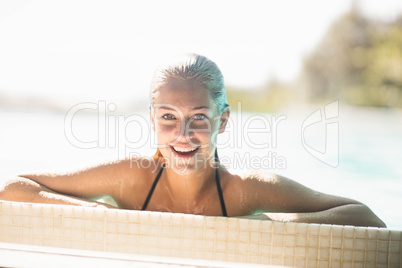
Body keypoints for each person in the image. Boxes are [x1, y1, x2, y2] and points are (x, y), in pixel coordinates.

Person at [0, 53, 386, 227]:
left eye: (198, 118)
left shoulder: (243, 191)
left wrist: (268, 221)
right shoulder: (131, 179)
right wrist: (103, 214)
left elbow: (366, 218)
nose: (182, 135)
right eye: (168, 117)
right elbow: (13, 188)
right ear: (152, 120)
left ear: (224, 120)